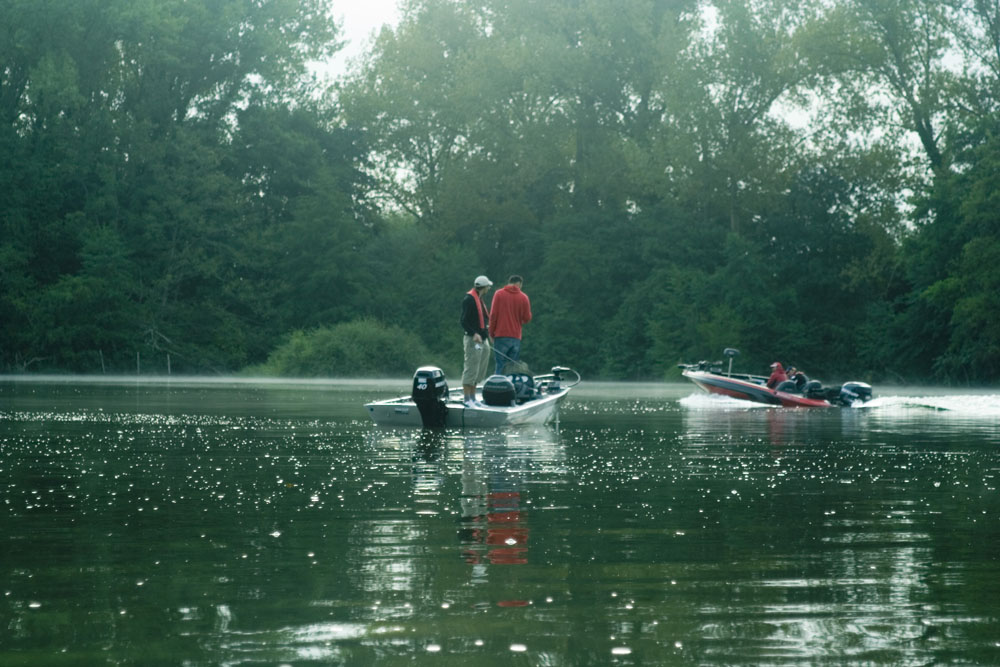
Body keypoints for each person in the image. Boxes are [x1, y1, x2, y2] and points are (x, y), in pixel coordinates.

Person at [488, 275, 532, 375]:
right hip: (515, 337)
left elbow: (493, 315)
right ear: (519, 284)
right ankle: (511, 388)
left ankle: (498, 387)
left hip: (500, 336)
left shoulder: (499, 294)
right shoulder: (524, 297)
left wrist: (491, 332)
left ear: (509, 282)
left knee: (500, 365)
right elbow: (527, 318)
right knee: (513, 367)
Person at [461, 275, 493, 406]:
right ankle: (467, 399)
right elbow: (463, 321)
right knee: (471, 368)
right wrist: (474, 333)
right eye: (488, 286)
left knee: (480, 368)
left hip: (482, 340)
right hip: (472, 340)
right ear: (484, 287)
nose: (489, 288)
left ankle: (473, 398)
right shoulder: (469, 299)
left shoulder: (480, 299)